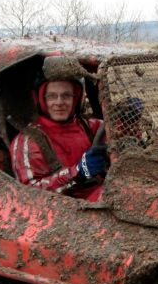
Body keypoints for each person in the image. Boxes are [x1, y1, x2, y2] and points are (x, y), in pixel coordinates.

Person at [10, 73, 106, 201]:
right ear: (41, 100)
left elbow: (125, 142)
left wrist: (127, 116)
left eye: (66, 95)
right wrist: (77, 172)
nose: (59, 102)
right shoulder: (27, 140)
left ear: (77, 98)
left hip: (103, 195)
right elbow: (30, 194)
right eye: (52, 96)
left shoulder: (92, 126)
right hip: (63, 212)